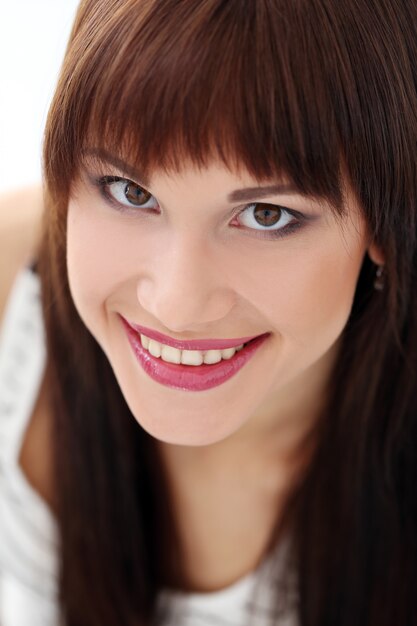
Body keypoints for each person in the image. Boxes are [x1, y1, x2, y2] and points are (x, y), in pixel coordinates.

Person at [0, 0, 416, 624]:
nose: (177, 304)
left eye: (265, 215)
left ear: (381, 218)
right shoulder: (11, 279)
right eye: (130, 191)